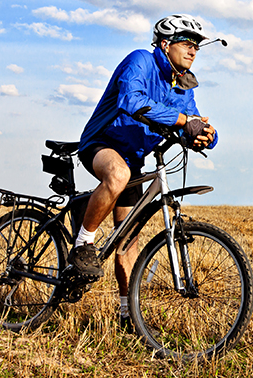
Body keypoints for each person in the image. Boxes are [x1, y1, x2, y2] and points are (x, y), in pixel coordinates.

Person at [69, 14, 218, 327]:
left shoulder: (182, 86)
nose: (193, 51)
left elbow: (191, 121)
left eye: (197, 47)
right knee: (118, 175)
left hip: (134, 159)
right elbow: (132, 100)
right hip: (101, 144)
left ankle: (127, 313)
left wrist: (206, 135)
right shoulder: (140, 61)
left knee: (129, 239)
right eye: (187, 44)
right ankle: (83, 244)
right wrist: (181, 121)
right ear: (166, 44)